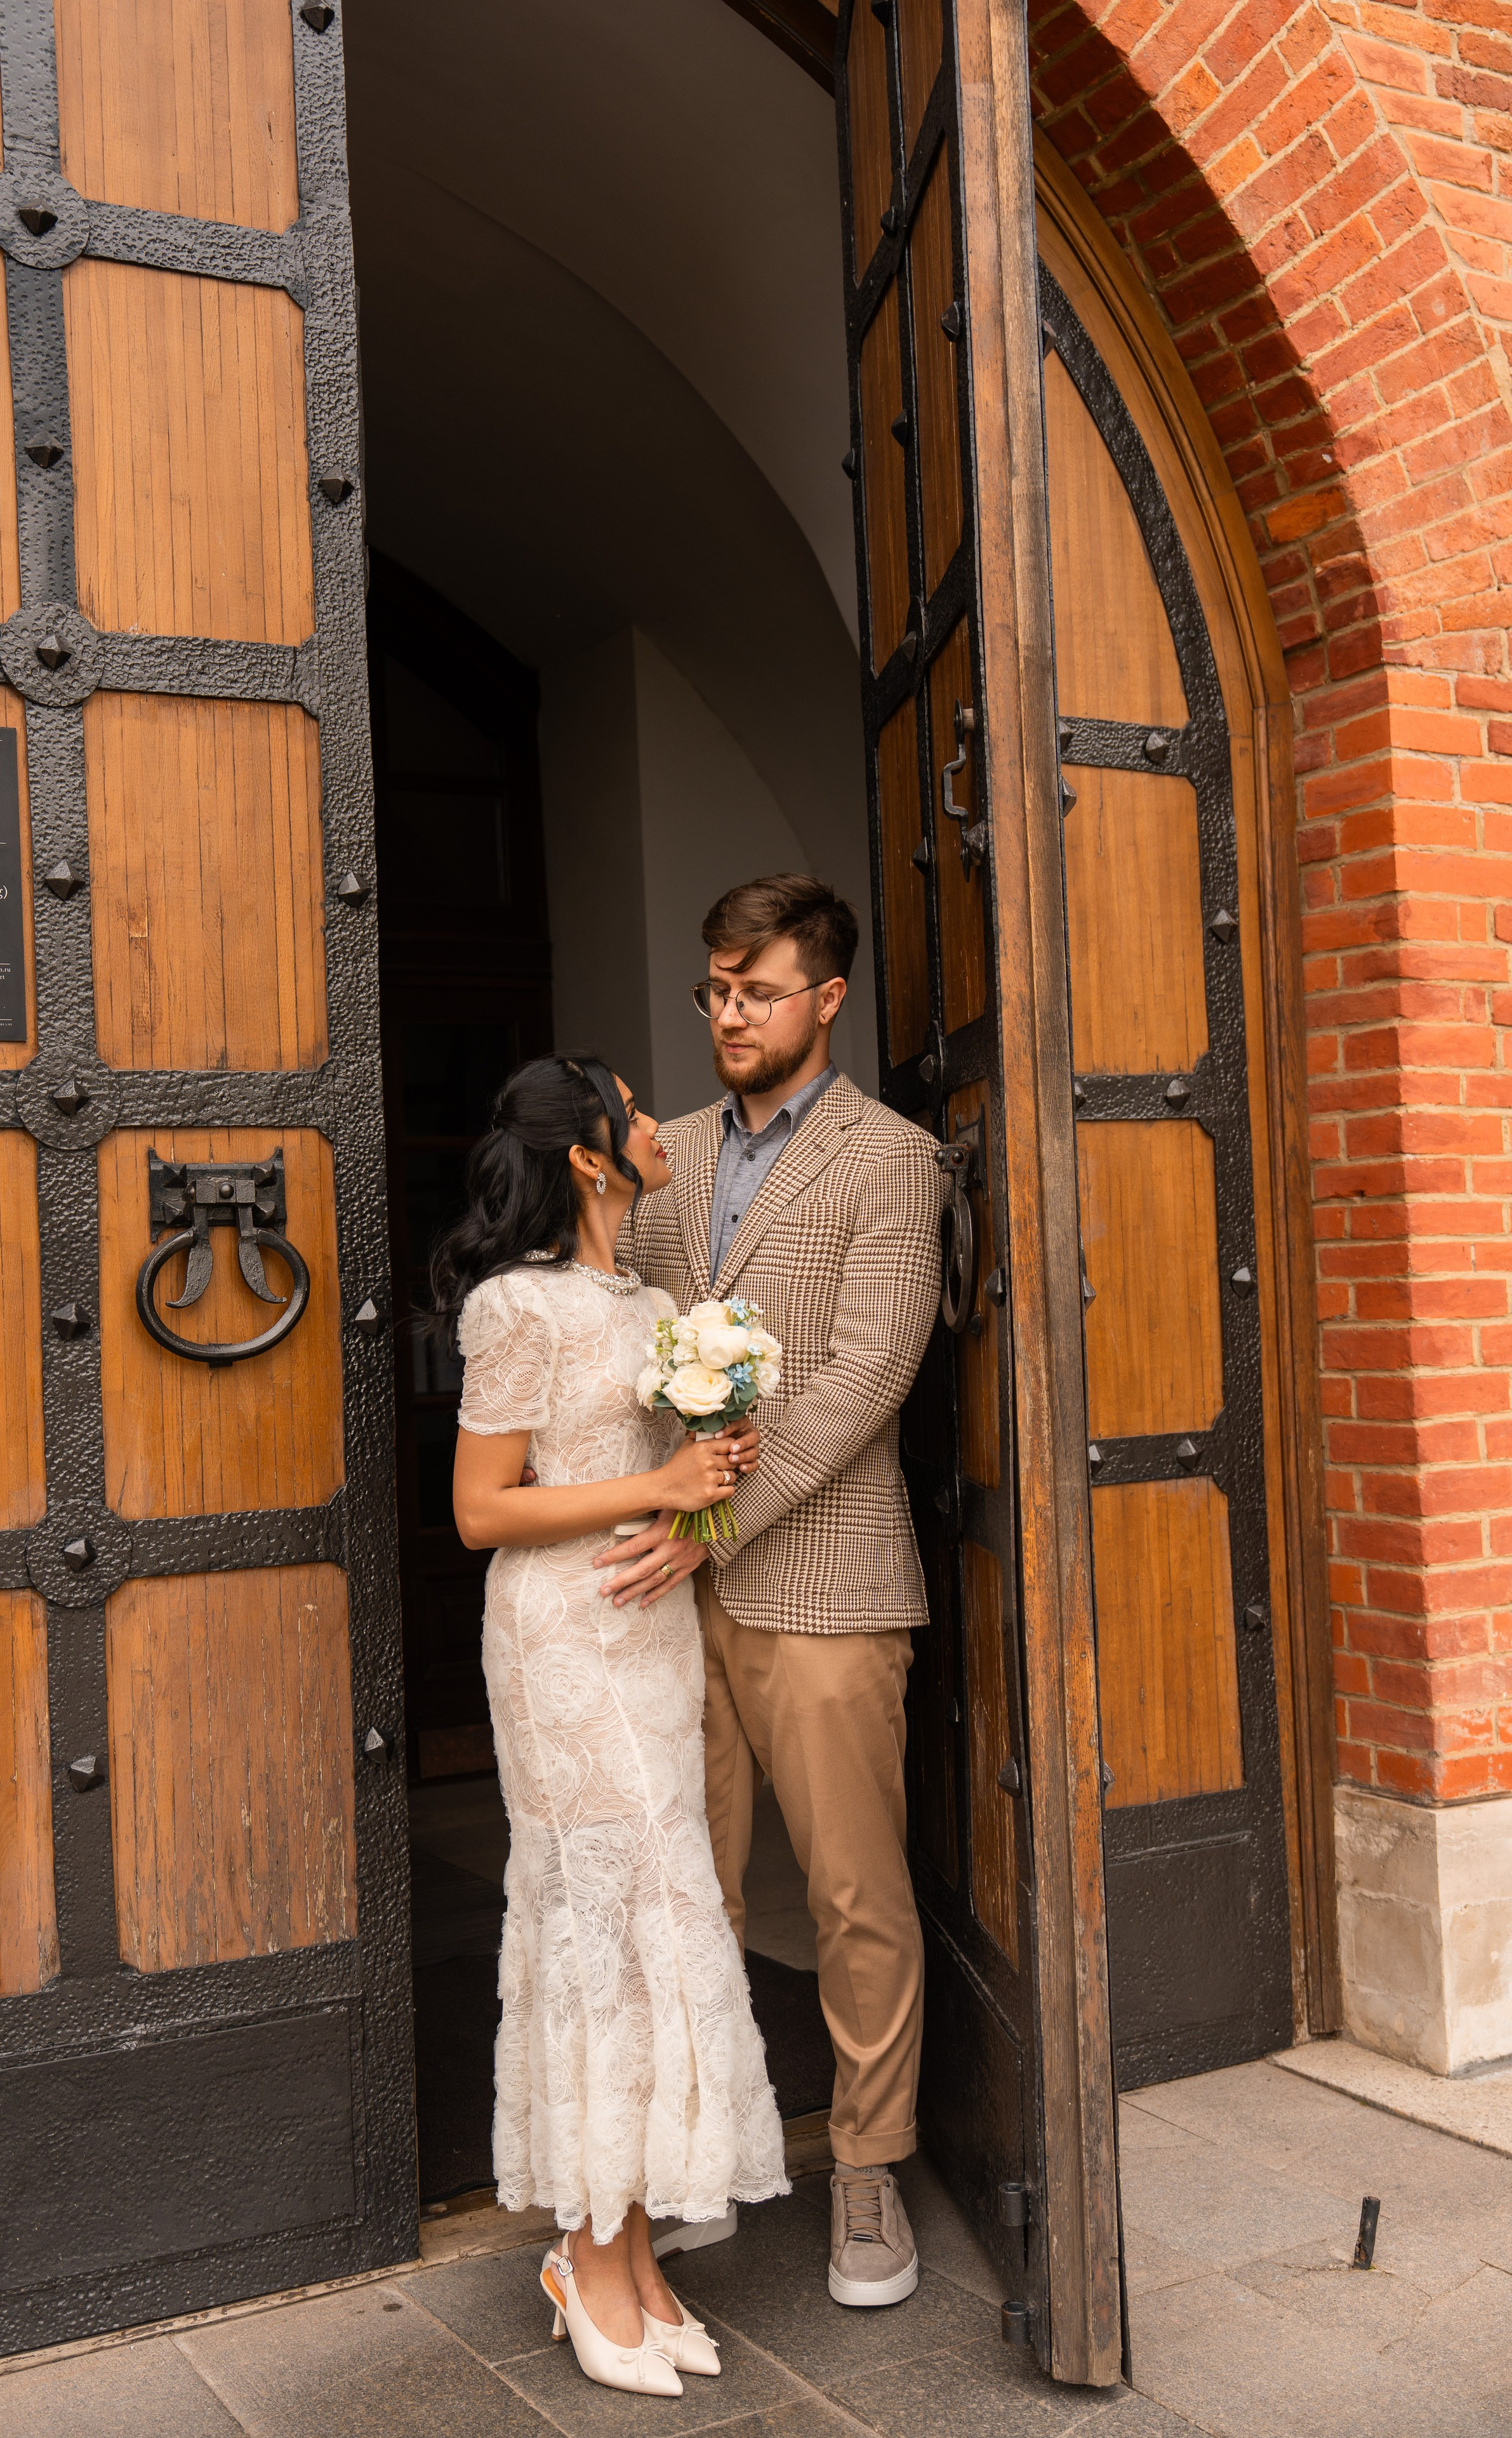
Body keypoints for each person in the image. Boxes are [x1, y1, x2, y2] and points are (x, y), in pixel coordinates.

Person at [611, 873, 943, 2309]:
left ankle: (868, 2170)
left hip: (825, 1580)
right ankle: (700, 2163)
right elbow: (612, 1333)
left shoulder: (892, 1160)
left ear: (825, 998)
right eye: (713, 990)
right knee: (678, 1889)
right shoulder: (658, 1158)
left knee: (852, 1895)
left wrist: (715, 1520)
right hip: (660, 1592)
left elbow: (868, 1372)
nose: (727, 1015)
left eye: (754, 991)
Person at [435, 1053, 788, 2399]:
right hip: (559, 1639)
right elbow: (482, 1508)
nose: (656, 1128)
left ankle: (630, 2253)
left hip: (647, 1630)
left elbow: (680, 1477)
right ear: (588, 1156)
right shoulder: (514, 1307)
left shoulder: (651, 1299)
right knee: (597, 1930)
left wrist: (704, 1502)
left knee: (659, 1922)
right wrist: (656, 1480)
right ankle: (584, 2256)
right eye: (632, 1113)